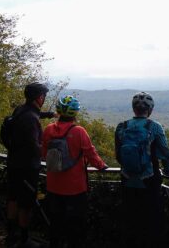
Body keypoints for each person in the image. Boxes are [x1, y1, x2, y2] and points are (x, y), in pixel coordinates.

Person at [42, 95, 108, 248]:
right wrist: (101, 166)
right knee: (75, 226)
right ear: (75, 113)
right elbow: (90, 153)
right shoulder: (79, 131)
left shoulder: (49, 129)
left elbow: (43, 153)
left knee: (55, 223)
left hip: (53, 185)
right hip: (75, 188)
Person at [115, 91, 169, 248]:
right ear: (150, 109)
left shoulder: (121, 127)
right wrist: (168, 169)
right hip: (149, 180)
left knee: (130, 218)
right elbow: (165, 153)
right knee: (150, 219)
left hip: (127, 179)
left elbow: (118, 155)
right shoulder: (154, 127)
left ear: (134, 108)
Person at [6, 82, 55, 247]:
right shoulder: (31, 119)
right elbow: (35, 147)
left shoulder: (21, 110)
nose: (44, 98)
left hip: (13, 163)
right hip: (26, 167)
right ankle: (24, 239)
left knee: (12, 198)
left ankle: (11, 235)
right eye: (43, 96)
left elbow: (34, 114)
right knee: (25, 203)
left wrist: (49, 114)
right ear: (39, 97)